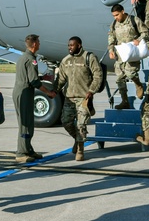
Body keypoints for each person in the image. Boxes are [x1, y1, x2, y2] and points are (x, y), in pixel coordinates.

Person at [55, 36, 104, 161]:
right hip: (69, 98)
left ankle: (80, 150)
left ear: (79, 45)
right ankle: (77, 140)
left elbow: (98, 75)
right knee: (66, 122)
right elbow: (61, 78)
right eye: (68, 45)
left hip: (84, 98)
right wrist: (53, 91)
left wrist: (91, 90)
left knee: (81, 125)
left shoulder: (89, 58)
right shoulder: (66, 60)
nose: (69, 47)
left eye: (72, 45)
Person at [13, 34, 55, 163]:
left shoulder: (24, 57)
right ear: (35, 44)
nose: (40, 44)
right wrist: (48, 92)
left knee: (28, 122)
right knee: (25, 123)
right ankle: (21, 152)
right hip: (24, 93)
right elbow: (34, 81)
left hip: (23, 92)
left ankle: (28, 149)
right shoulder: (31, 59)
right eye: (39, 42)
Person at [107, 4, 146, 109]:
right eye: (114, 16)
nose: (116, 17)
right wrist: (111, 50)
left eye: (117, 15)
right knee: (120, 79)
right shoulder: (114, 24)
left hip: (132, 53)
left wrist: (139, 39)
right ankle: (125, 101)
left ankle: (138, 84)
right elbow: (111, 38)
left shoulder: (134, 20)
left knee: (130, 73)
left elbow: (145, 32)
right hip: (120, 55)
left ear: (123, 11)